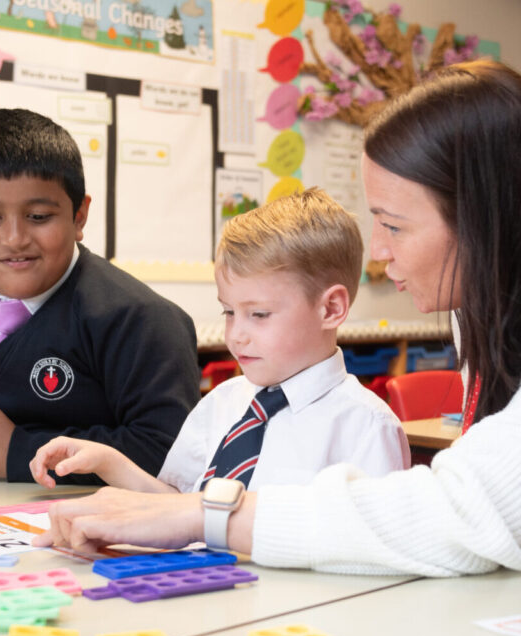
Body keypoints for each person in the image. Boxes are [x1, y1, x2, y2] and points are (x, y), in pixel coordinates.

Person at [32, 61, 521, 577]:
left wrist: (213, 516)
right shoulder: (504, 300)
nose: (380, 252)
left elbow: (474, 510)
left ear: (487, 219)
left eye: (394, 225)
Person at [28, 188, 410, 494]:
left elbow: (373, 547)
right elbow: (178, 506)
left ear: (331, 309)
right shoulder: (223, 403)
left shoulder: (366, 427)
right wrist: (108, 462)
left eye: (258, 314)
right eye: (229, 312)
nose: (236, 334)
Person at [0, 108, 200, 484]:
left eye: (38, 216)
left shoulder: (140, 319)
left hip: (91, 530)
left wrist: (15, 451)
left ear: (79, 216)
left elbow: (166, 451)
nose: (15, 238)